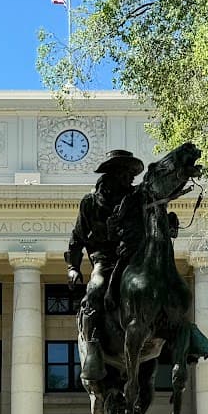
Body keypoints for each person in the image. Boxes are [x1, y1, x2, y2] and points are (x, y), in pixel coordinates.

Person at [65, 150, 145, 383]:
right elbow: (77, 238)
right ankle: (92, 349)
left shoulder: (137, 199)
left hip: (133, 260)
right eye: (126, 172)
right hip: (105, 261)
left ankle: (186, 335)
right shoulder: (91, 203)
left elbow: (154, 216)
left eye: (132, 173)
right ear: (113, 173)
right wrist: (73, 267)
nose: (131, 177)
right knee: (95, 291)